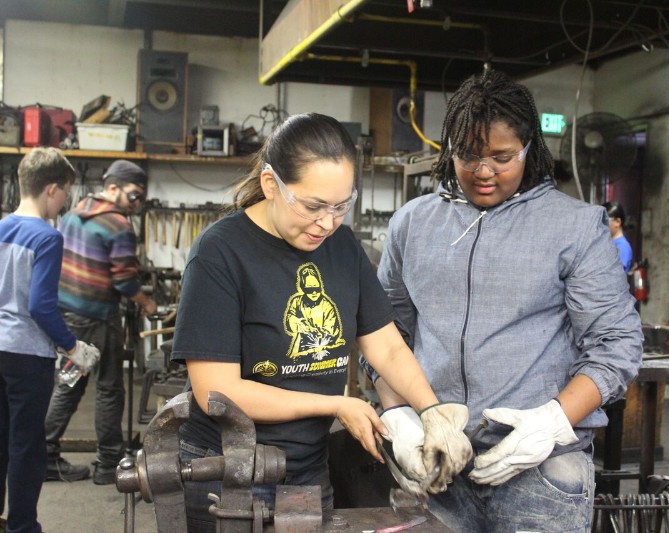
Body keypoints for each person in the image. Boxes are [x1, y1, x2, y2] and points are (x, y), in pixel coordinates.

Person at [364, 70, 643, 532]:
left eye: (502, 157)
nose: (484, 171)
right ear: (448, 148)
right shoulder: (412, 225)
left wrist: (553, 422)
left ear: (529, 149)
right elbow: (384, 336)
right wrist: (399, 414)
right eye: (468, 155)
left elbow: (616, 345)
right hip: (439, 464)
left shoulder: (573, 228)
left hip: (542, 472)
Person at [169, 112, 472, 532]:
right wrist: (336, 404)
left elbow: (386, 347)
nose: (327, 223)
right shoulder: (219, 252)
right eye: (313, 206)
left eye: (340, 206)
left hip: (309, 471)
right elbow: (217, 392)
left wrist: (432, 410)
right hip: (228, 472)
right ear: (271, 184)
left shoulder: (342, 246)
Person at [0, 147, 100, 533]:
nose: (65, 202)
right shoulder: (47, 236)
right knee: (26, 447)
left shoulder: (2, 228)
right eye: (66, 193)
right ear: (52, 189)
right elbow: (40, 306)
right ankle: (22, 527)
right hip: (27, 355)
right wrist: (72, 346)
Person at [44, 159, 157, 485]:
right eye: (133, 195)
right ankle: (108, 463)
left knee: (70, 383)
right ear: (112, 187)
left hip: (68, 316)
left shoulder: (74, 213)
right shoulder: (118, 224)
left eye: (140, 197)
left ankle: (44, 454)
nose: (136, 203)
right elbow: (125, 281)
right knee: (109, 388)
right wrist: (147, 303)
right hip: (99, 318)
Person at [603, 200, 633, 272]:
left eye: (605, 220)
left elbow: (614, 274)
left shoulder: (623, 247)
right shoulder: (606, 243)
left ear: (617, 222)